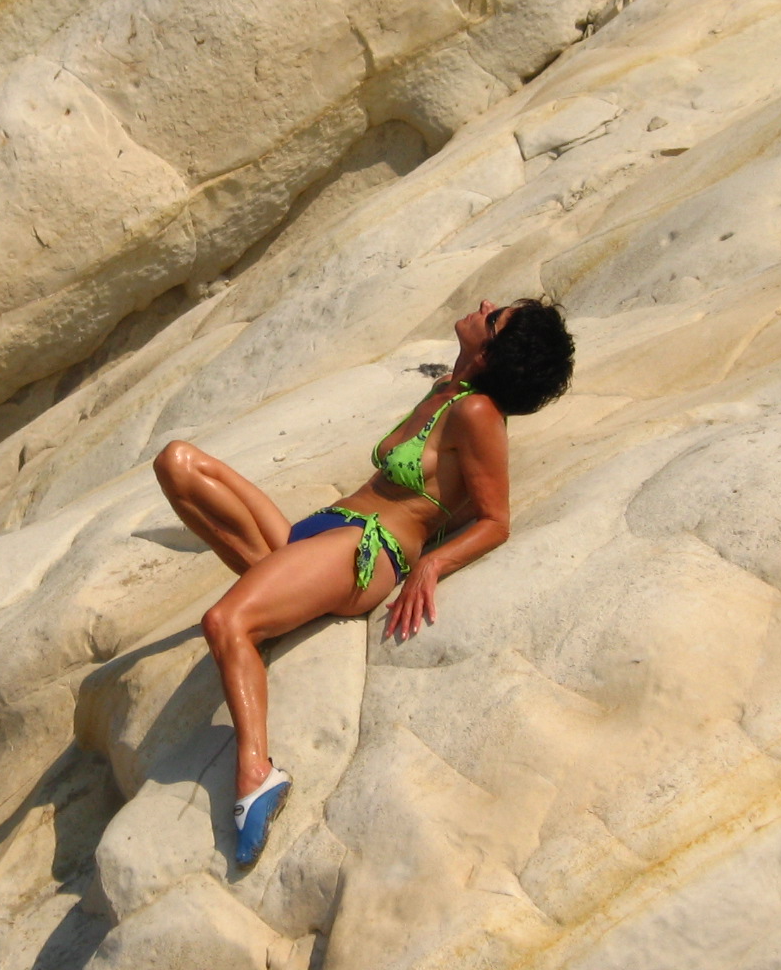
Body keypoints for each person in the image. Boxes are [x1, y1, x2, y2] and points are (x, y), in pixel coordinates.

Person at [152, 298, 575, 867]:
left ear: (491, 348)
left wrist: (431, 563)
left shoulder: (478, 413)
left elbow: (497, 519)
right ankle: (275, 602)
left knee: (224, 622)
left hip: (365, 551)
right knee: (178, 463)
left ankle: (257, 774)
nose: (484, 304)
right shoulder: (448, 388)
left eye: (494, 315)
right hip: (322, 530)